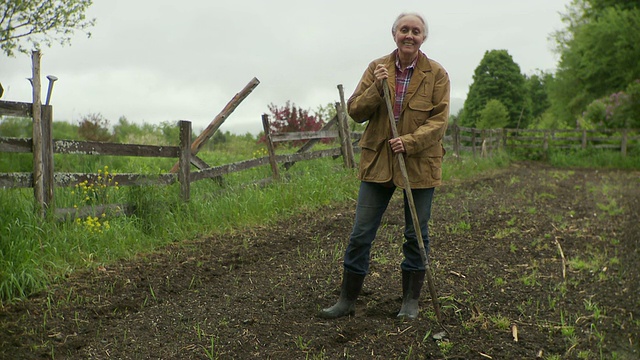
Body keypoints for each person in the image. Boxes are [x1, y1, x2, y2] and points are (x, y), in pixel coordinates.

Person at [318, 12, 450, 320]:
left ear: (423, 38)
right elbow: (355, 112)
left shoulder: (437, 74)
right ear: (394, 34)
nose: (409, 35)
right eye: (404, 29)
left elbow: (439, 120)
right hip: (378, 161)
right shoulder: (377, 69)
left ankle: (410, 303)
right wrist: (376, 88)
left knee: (416, 234)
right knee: (361, 233)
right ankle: (347, 300)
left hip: (419, 164)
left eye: (416, 31)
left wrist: (411, 141)